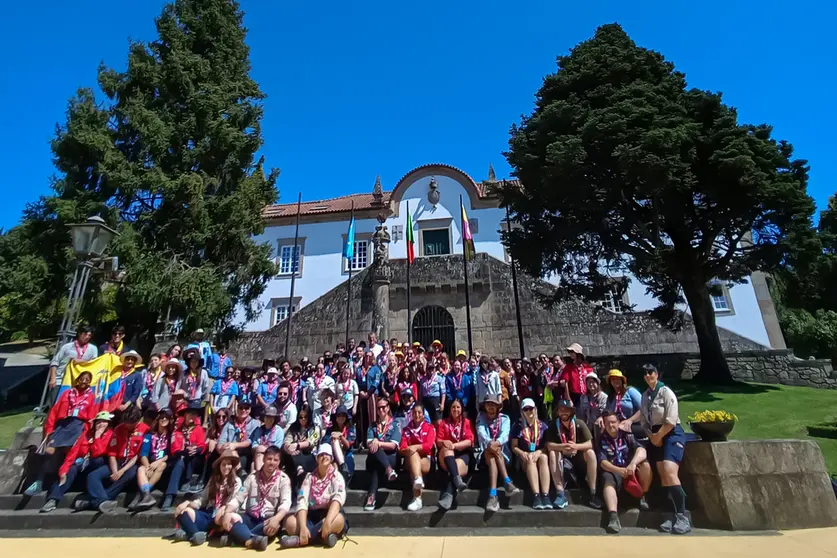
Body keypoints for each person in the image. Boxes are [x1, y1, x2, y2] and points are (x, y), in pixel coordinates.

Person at [25, 371, 97, 496]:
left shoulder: (90, 396)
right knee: (48, 452)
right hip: (62, 425)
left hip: (77, 426)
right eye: (82, 378)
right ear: (78, 379)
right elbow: (54, 412)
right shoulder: (67, 393)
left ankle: (60, 487)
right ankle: (38, 483)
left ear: (90, 382)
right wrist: (49, 430)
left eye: (87, 379)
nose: (84, 381)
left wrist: (86, 430)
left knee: (70, 457)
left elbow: (91, 417)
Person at [640, 364, 690, 534]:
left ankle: (682, 516)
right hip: (655, 435)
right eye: (645, 374)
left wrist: (658, 436)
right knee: (662, 474)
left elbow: (671, 419)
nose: (648, 376)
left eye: (650, 372)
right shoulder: (645, 396)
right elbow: (644, 422)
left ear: (657, 374)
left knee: (669, 470)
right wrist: (652, 436)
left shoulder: (666, 392)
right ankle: (670, 514)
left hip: (671, 433)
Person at [39, 411, 114, 513]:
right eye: (98, 422)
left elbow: (98, 453)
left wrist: (97, 437)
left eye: (104, 422)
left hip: (97, 467)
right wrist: (63, 471)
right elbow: (73, 454)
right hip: (82, 466)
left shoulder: (110, 435)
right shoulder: (85, 435)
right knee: (70, 469)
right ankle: (53, 499)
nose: (101, 424)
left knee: (98, 460)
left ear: (108, 424)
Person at [222, 445, 292, 550]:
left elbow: (286, 503)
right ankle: (252, 540)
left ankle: (240, 536)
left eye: (275, 460)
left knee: (273, 528)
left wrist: (276, 519)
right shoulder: (252, 477)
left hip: (268, 521)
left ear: (279, 462)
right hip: (250, 518)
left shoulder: (283, 479)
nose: (272, 462)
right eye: (269, 459)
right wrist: (227, 512)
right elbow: (238, 498)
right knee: (231, 518)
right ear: (263, 459)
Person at [280, 444, 349, 549]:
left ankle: (300, 541)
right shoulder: (309, 477)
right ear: (317, 459)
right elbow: (302, 501)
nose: (324, 457)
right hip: (312, 515)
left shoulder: (337, 476)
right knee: (290, 522)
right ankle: (322, 537)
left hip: (329, 514)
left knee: (339, 520)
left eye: (327, 455)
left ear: (331, 458)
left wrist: (327, 522)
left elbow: (337, 500)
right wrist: (303, 527)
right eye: (321, 455)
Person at [82, 405, 147, 513]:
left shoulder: (145, 429)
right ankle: (102, 501)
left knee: (129, 474)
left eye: (130, 423)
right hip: (117, 462)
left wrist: (122, 471)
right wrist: (115, 471)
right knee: (93, 476)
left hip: (132, 463)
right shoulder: (118, 429)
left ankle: (92, 503)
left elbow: (138, 455)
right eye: (126, 423)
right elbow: (112, 453)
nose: (127, 426)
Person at [173, 450, 243, 546]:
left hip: (222, 515)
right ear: (219, 466)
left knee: (227, 517)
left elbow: (234, 501)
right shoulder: (213, 479)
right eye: (223, 464)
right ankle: (196, 535)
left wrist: (224, 508)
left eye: (229, 464)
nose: (226, 467)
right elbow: (202, 500)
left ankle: (190, 534)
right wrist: (188, 503)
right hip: (209, 513)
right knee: (184, 511)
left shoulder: (237, 481)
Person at [599, 411, 652, 533]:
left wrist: (633, 464)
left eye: (613, 422)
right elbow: (602, 462)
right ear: (604, 425)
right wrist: (618, 470)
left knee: (645, 465)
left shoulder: (627, 436)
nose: (611, 425)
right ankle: (613, 517)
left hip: (629, 470)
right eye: (608, 423)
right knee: (607, 479)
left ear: (618, 423)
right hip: (614, 471)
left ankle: (643, 497)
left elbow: (642, 450)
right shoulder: (601, 440)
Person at [545, 399, 600, 510]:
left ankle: (593, 493)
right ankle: (560, 493)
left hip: (579, 459)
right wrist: (563, 446)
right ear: (557, 412)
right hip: (563, 462)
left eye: (566, 410)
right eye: (561, 410)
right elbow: (548, 445)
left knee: (590, 453)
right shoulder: (553, 425)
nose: (563, 412)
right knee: (553, 453)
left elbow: (590, 444)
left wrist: (576, 446)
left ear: (571, 412)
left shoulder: (579, 423)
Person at [476, 394, 519, 512]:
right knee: (491, 451)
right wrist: (490, 443)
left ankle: (493, 495)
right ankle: (507, 482)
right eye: (488, 404)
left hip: (503, 455)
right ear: (484, 407)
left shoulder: (505, 418)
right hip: (485, 454)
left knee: (495, 450)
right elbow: (481, 433)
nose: (490, 407)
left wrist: (497, 443)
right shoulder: (481, 418)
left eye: (493, 405)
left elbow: (505, 435)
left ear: (497, 407)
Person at [162, 401, 207, 511]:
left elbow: (202, 445)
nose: (192, 416)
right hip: (179, 460)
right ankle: (170, 495)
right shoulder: (177, 431)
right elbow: (174, 449)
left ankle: (185, 483)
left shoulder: (199, 429)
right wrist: (186, 451)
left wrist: (196, 449)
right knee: (180, 461)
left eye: (194, 414)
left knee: (190, 455)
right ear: (185, 415)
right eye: (190, 413)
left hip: (194, 460)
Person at [510, 398, 551, 509]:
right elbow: (514, 446)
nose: (529, 411)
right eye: (526, 409)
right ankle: (536, 496)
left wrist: (539, 451)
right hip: (525, 458)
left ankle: (546, 495)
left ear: (535, 409)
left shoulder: (543, 426)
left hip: (539, 454)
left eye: (531, 408)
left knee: (543, 458)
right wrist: (522, 453)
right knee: (530, 460)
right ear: (522, 411)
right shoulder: (517, 426)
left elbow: (547, 446)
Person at [363, 397, 402, 511]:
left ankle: (371, 497)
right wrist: (376, 443)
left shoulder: (396, 424)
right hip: (374, 458)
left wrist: (378, 443)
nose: (381, 410)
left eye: (383, 407)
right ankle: (389, 470)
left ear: (388, 407)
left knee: (377, 464)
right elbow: (369, 443)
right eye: (378, 408)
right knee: (375, 450)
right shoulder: (372, 426)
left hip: (390, 458)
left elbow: (393, 445)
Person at [130, 409, 172, 511]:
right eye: (161, 417)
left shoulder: (171, 436)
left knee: (162, 465)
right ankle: (147, 495)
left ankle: (140, 495)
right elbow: (143, 454)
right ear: (157, 420)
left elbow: (170, 454)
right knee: (141, 469)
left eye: (166, 417)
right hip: (150, 464)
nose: (164, 419)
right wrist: (148, 466)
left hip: (164, 466)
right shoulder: (149, 435)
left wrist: (158, 462)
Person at [435, 399, 474, 510]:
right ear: (449, 409)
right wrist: (445, 442)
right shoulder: (444, 423)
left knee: (455, 467)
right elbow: (438, 440)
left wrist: (454, 445)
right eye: (453, 407)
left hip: (463, 454)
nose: (455, 409)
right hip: (446, 456)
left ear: (462, 409)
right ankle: (457, 480)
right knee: (448, 450)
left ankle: (448, 495)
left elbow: (469, 441)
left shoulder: (467, 422)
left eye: (458, 407)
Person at [398, 403, 436, 511]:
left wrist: (415, 447)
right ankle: (418, 483)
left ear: (423, 415)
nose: (417, 415)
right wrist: (412, 450)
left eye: (419, 412)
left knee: (413, 459)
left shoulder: (430, 428)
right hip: (410, 459)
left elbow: (428, 446)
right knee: (413, 456)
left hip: (426, 460)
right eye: (414, 412)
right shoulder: (406, 429)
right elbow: (402, 447)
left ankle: (417, 498)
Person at [47, 326, 98, 404]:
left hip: (79, 383)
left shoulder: (93, 349)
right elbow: (54, 362)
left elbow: (94, 364)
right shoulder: (67, 347)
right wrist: (53, 378)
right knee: (54, 405)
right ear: (79, 334)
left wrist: (82, 361)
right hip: (60, 380)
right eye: (85, 334)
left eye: (89, 335)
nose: (87, 337)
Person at [219, 401, 260, 476]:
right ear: (237, 409)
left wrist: (235, 445)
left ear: (250, 410)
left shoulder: (255, 423)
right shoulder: (229, 423)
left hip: (246, 453)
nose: (243, 410)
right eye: (241, 408)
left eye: (246, 408)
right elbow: (221, 440)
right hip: (229, 450)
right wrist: (222, 447)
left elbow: (250, 441)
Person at [283, 405, 322, 479]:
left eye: (305, 417)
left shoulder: (316, 428)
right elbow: (287, 439)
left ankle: (300, 469)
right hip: (293, 455)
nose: (303, 419)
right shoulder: (293, 427)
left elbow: (310, 442)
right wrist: (288, 448)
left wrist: (297, 445)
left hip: (310, 456)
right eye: (300, 417)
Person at [606, 369, 645, 438]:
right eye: (613, 379)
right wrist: (601, 418)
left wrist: (630, 420)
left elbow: (644, 408)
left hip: (635, 424)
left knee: (621, 430)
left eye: (618, 379)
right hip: (618, 425)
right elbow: (608, 413)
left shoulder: (630, 391)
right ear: (610, 382)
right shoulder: (610, 397)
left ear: (622, 380)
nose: (615, 381)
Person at [251, 406, 285, 472]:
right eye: (267, 417)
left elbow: (277, 449)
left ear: (274, 419)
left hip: (272, 457)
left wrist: (264, 449)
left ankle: (260, 475)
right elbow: (254, 446)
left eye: (271, 417)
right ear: (264, 418)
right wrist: (258, 448)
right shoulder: (258, 430)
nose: (269, 419)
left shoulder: (279, 431)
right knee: (257, 458)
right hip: (258, 455)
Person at [559, 343, 592, 408]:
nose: (570, 353)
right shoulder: (569, 367)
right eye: (569, 352)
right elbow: (565, 383)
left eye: (572, 352)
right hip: (575, 396)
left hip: (587, 395)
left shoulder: (587, 367)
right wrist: (569, 399)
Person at [328, 406, 356, 479]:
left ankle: (343, 466)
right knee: (334, 440)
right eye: (339, 415)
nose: (341, 417)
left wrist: (341, 436)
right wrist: (333, 437)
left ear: (346, 417)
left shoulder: (351, 428)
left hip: (346, 453)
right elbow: (325, 442)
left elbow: (348, 446)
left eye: (343, 415)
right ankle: (341, 465)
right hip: (333, 454)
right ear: (336, 417)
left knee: (349, 470)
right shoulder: (330, 428)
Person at [114, 350, 144, 415]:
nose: (130, 361)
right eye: (128, 359)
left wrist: (126, 405)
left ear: (134, 362)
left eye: (132, 360)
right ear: (124, 360)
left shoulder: (137, 375)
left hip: (126, 405)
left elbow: (136, 392)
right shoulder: (117, 372)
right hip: (113, 404)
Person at [419, 360, 446, 424]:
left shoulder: (439, 378)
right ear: (426, 369)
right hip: (426, 401)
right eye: (429, 369)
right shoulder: (423, 380)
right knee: (426, 421)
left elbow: (443, 392)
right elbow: (420, 393)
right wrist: (420, 403)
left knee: (438, 422)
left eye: (432, 368)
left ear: (434, 369)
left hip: (436, 401)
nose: (431, 370)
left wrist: (442, 404)